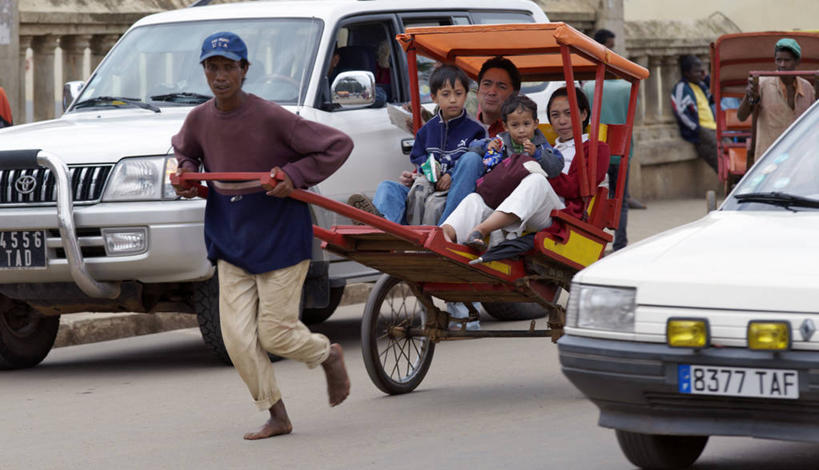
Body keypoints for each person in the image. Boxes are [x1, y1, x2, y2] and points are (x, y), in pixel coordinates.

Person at [172, 31, 354, 440]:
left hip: (280, 237)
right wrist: (185, 174)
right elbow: (185, 150)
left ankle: (327, 354)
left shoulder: (271, 116)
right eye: (212, 67)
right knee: (236, 340)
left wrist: (293, 175)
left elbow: (337, 145)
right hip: (230, 237)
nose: (220, 76)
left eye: (228, 67)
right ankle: (277, 414)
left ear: (244, 70)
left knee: (276, 333)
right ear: (204, 71)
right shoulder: (199, 118)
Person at [351, 56, 521, 225]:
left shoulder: (511, 132)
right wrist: (418, 174)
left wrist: (451, 175)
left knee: (471, 159)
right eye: (486, 84)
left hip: (461, 201)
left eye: (501, 86)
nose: (491, 91)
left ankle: (444, 229)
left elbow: (488, 176)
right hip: (427, 193)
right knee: (387, 187)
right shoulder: (431, 128)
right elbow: (421, 158)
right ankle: (383, 226)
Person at [442, 87, 610, 250]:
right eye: (555, 115)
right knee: (475, 199)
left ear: (583, 114)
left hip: (558, 212)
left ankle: (481, 230)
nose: (562, 120)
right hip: (523, 204)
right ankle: (443, 234)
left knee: (536, 179)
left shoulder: (594, 148)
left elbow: (576, 188)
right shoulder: (548, 147)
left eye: (569, 113)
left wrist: (537, 167)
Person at [581, 29, 639, 251]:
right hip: (623, 151)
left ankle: (593, 241)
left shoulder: (588, 88)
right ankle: (621, 243)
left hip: (597, 151)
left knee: (594, 199)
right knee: (620, 201)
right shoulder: (629, 87)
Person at [736, 37, 815, 161]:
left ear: (797, 62)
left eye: (787, 60)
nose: (782, 65)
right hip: (768, 158)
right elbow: (741, 116)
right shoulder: (762, 84)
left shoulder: (807, 88)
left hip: (797, 158)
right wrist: (749, 96)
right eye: (779, 60)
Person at [670, 54, 719, 173]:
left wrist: (706, 78)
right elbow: (681, 111)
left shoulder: (701, 85)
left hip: (714, 127)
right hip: (701, 130)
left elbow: (714, 97)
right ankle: (733, 180)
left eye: (701, 71)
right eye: (696, 72)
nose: (699, 74)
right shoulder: (682, 88)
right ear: (686, 73)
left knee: (730, 148)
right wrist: (696, 128)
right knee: (719, 155)